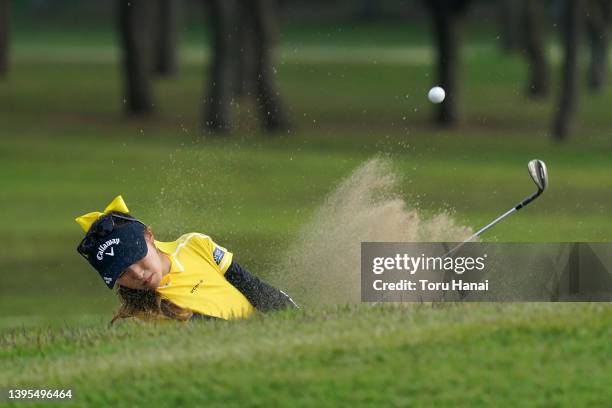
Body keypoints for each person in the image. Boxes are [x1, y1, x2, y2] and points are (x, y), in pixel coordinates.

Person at [75, 195, 298, 324]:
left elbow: (252, 286)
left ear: (149, 237)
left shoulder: (195, 245)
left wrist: (299, 320)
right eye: (121, 273)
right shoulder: (148, 308)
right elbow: (217, 331)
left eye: (136, 257)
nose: (137, 274)